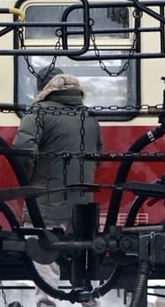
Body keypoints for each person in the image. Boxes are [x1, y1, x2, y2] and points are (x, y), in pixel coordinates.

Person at [13, 67, 102, 307]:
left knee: (41, 244)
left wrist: (26, 183)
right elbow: (98, 153)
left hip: (47, 197)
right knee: (84, 248)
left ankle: (47, 301)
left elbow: (22, 151)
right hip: (83, 201)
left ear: (43, 88)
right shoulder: (90, 116)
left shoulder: (38, 111)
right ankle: (89, 298)